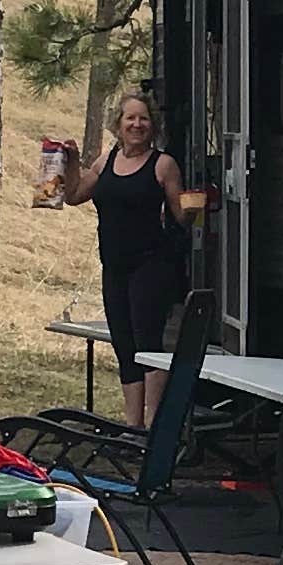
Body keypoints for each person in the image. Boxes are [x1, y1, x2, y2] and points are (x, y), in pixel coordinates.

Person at [58, 91, 189, 429]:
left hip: (152, 265)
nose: (137, 124)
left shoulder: (163, 164)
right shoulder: (105, 162)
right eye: (130, 118)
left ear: (152, 125)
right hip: (114, 266)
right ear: (118, 124)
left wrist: (197, 208)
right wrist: (71, 160)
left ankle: (154, 422)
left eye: (143, 118)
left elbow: (182, 217)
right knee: (124, 343)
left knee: (148, 342)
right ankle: (132, 425)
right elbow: (73, 195)